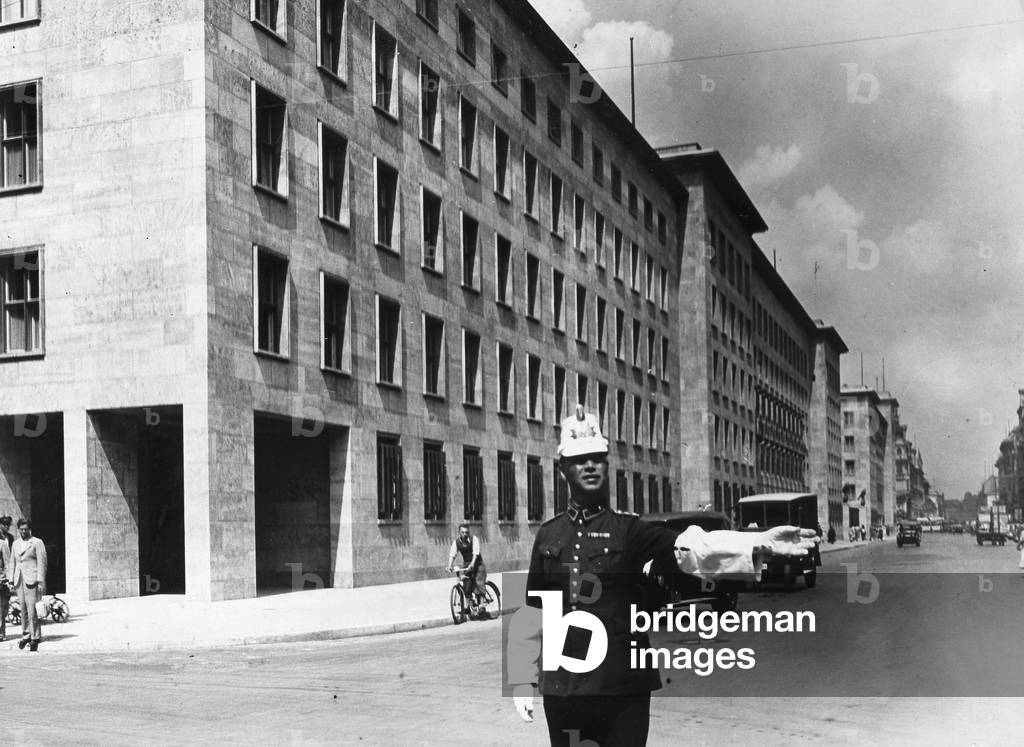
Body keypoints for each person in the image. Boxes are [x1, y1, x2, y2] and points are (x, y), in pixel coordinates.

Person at [507, 407, 818, 747]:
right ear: (563, 467)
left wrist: (757, 542)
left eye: (597, 457)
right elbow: (532, 612)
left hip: (623, 689)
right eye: (580, 459)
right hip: (564, 692)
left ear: (608, 465)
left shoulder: (629, 531)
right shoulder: (549, 536)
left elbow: (692, 546)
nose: (590, 466)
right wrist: (521, 680)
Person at [9, 518, 47, 651]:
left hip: (32, 580)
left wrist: (40, 581)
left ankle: (35, 637)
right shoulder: (15, 544)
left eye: (26, 529)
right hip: (19, 580)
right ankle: (26, 634)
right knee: (23, 609)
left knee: (32, 610)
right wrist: (11, 580)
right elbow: (12, 563)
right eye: (21, 529)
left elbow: (42, 563)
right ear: (18, 530)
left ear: (29, 529)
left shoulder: (37, 542)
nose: (23, 531)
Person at [446, 524, 484, 604]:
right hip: (467, 564)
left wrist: (473, 564)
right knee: (466, 583)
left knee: (478, 581)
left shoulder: (474, 539)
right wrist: (449, 566)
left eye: (466, 532)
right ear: (459, 532)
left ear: (469, 532)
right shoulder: (456, 542)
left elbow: (475, 553)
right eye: (462, 532)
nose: (464, 534)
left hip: (478, 563)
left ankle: (482, 604)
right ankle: (469, 602)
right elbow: (452, 554)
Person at [0, 516, 11, 641]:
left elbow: (7, 563)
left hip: (1, 581)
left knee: (2, 608)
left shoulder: (3, 544)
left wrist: (8, 580)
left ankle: (1, 633)